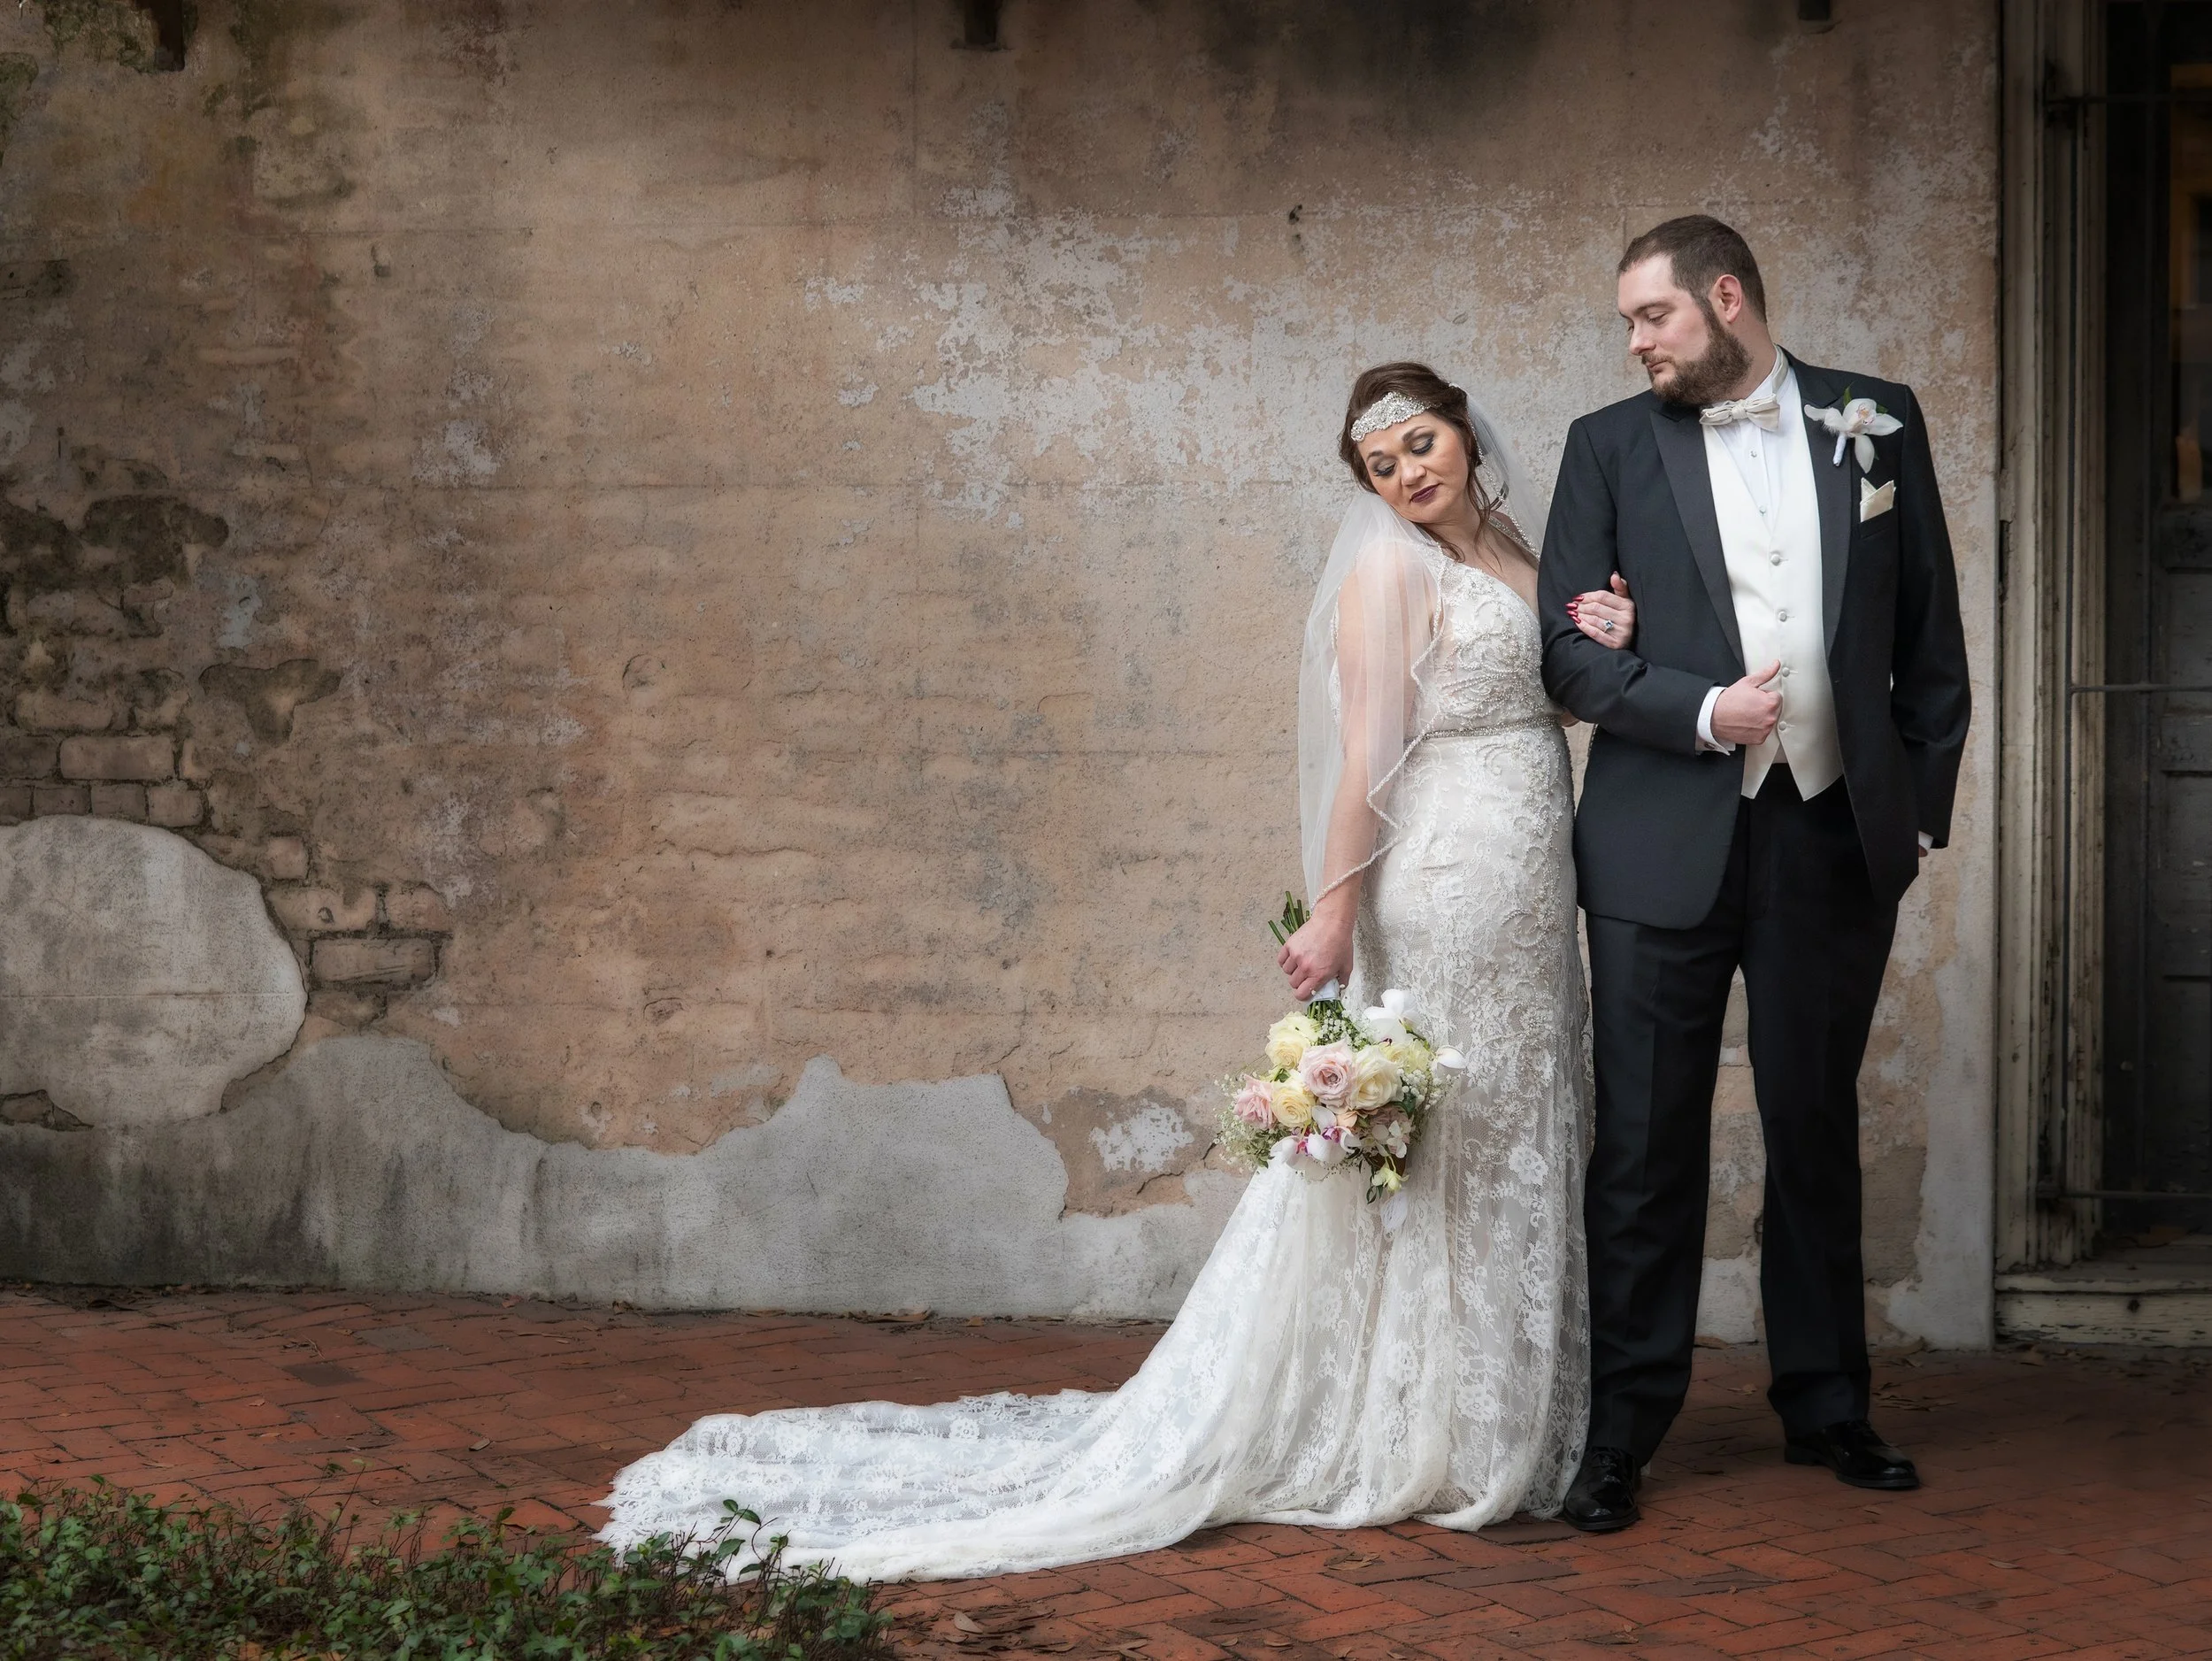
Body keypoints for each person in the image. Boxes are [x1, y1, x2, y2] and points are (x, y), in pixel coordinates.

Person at [595, 364, 1639, 1580]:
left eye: (1422, 443)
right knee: (1450, 1131)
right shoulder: (1387, 573)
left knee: (1519, 1116)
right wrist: (1338, 912)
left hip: (1532, 877)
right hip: (1450, 873)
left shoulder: (1512, 546)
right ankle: (1423, 1428)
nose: (1410, 472)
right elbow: (1369, 752)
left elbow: (1542, 694)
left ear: (1462, 429)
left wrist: (1604, 639)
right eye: (1382, 465)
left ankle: (1506, 1408)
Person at [1538, 217, 1970, 1533]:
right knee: (1643, 1143)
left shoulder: (1875, 421)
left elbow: (1930, 634)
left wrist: (1914, 817)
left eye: (1652, 316)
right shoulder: (1606, 446)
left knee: (1814, 1125)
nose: (1636, 342)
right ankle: (1622, 1431)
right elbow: (1568, 655)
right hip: (1659, 839)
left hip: (1831, 833)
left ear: (1725, 297)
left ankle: (1827, 1403)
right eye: (1629, 323)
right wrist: (1697, 710)